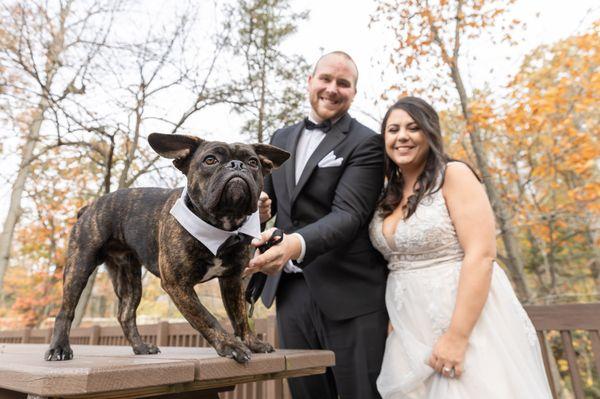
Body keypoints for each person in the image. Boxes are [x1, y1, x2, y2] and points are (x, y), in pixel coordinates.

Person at [369, 96, 552, 398]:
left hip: (461, 316)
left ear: (430, 133)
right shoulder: (386, 194)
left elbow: (481, 255)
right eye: (393, 129)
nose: (402, 136)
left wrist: (457, 336)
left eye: (413, 128)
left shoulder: (453, 175)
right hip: (407, 328)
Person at [246, 51, 389, 399]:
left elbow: (349, 215)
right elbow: (269, 206)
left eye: (344, 83)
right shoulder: (280, 138)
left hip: (350, 294)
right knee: (306, 393)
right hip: (290, 293)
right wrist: (260, 212)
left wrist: (293, 245)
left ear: (354, 93)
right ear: (310, 81)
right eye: (325, 79)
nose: (332, 89)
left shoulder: (367, 142)